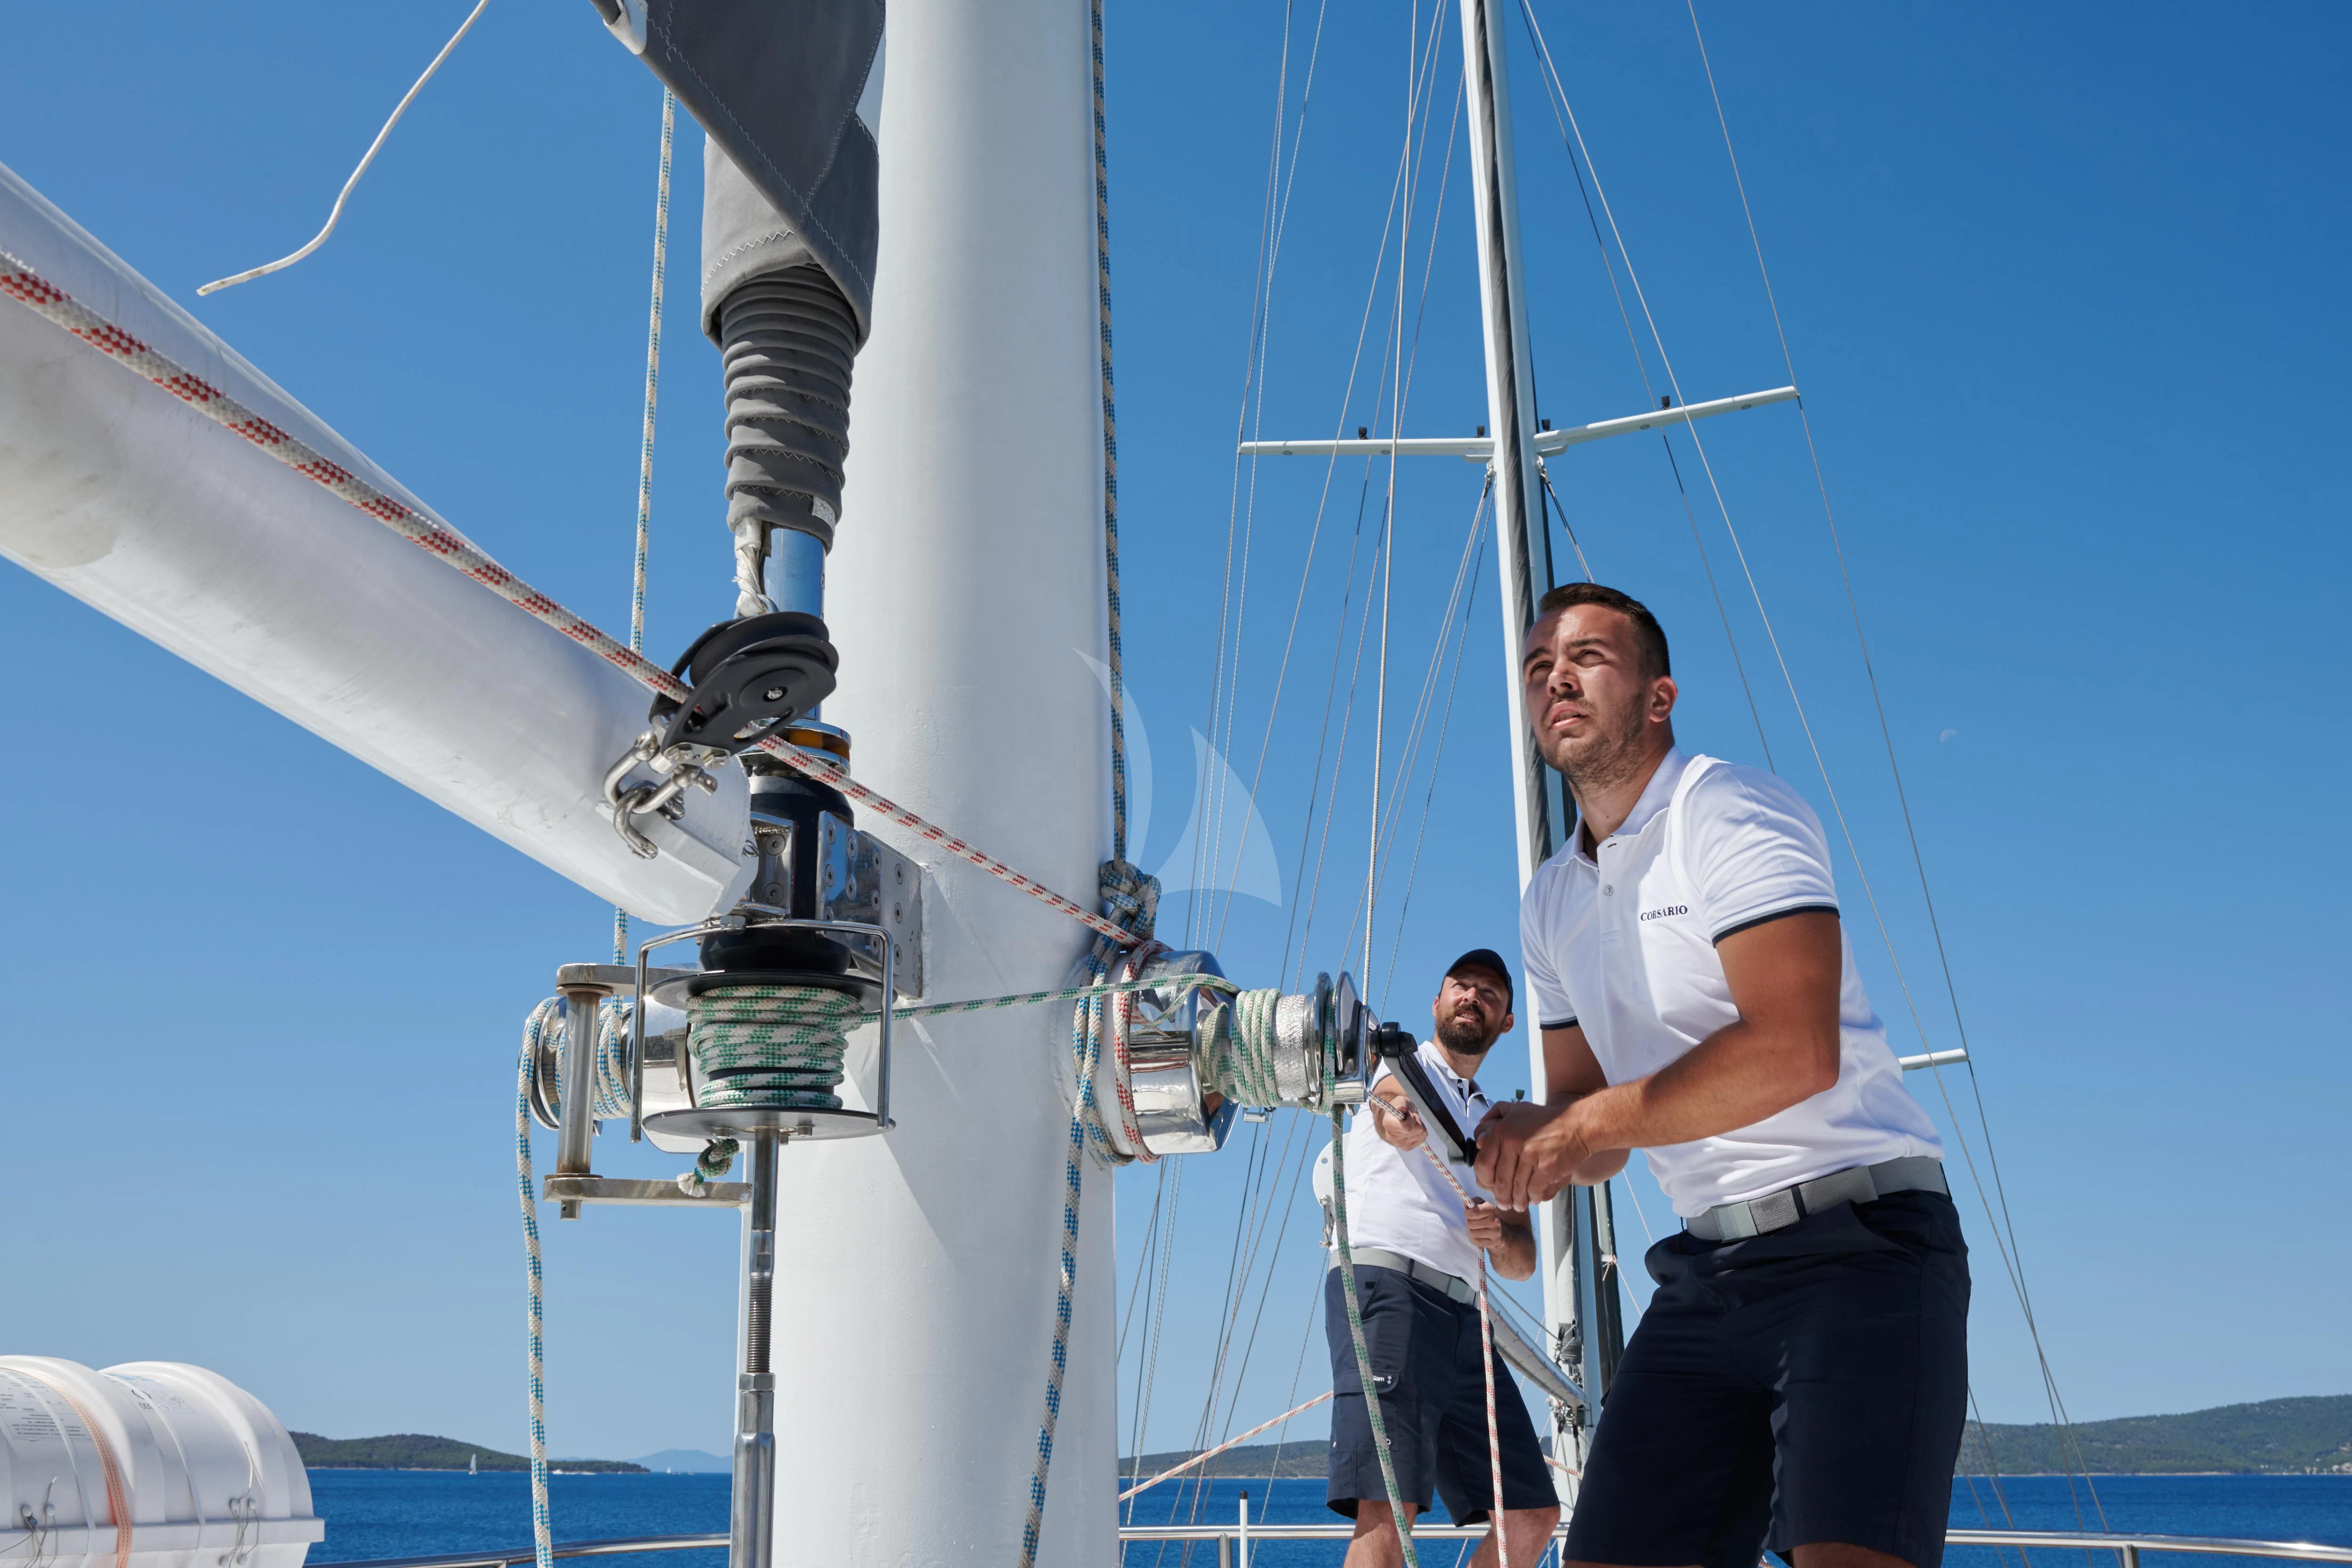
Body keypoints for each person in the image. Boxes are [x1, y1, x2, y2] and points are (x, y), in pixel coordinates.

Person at [1473, 581, 1969, 1568]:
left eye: (1585, 656)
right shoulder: (1549, 901)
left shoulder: (1730, 811)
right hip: (1708, 1274)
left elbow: (1795, 1048)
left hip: (1860, 1251)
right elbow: (1590, 1128)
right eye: (1537, 668)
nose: (1555, 676)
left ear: (1658, 696)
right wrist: (1527, 1141)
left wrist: (1573, 1131)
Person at [1316, 950, 1561, 1568]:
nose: (1472, 996)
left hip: (1464, 1322)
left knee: (1532, 1514)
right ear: (1438, 1001)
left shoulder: (1503, 1127)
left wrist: (1499, 1238)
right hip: (1390, 1289)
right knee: (1390, 1504)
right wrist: (1399, 1120)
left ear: (1506, 1022)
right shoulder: (1397, 1066)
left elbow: (1522, 1262)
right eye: (1461, 985)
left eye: (1489, 993)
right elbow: (1390, 1106)